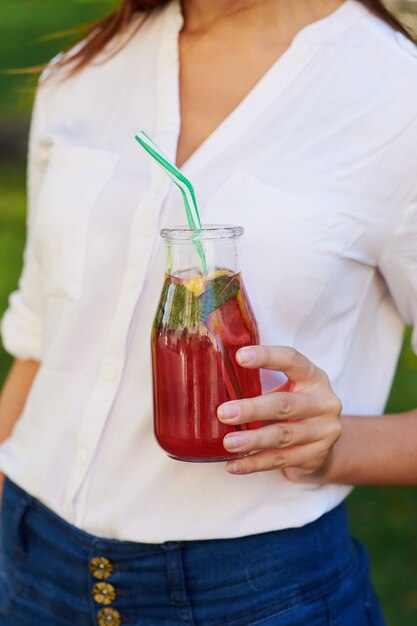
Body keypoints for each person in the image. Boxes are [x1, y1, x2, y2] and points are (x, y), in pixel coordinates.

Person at [0, 0, 416, 624]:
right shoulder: (84, 70)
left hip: (256, 594)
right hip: (29, 562)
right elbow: (44, 339)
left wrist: (333, 446)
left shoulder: (393, 97)